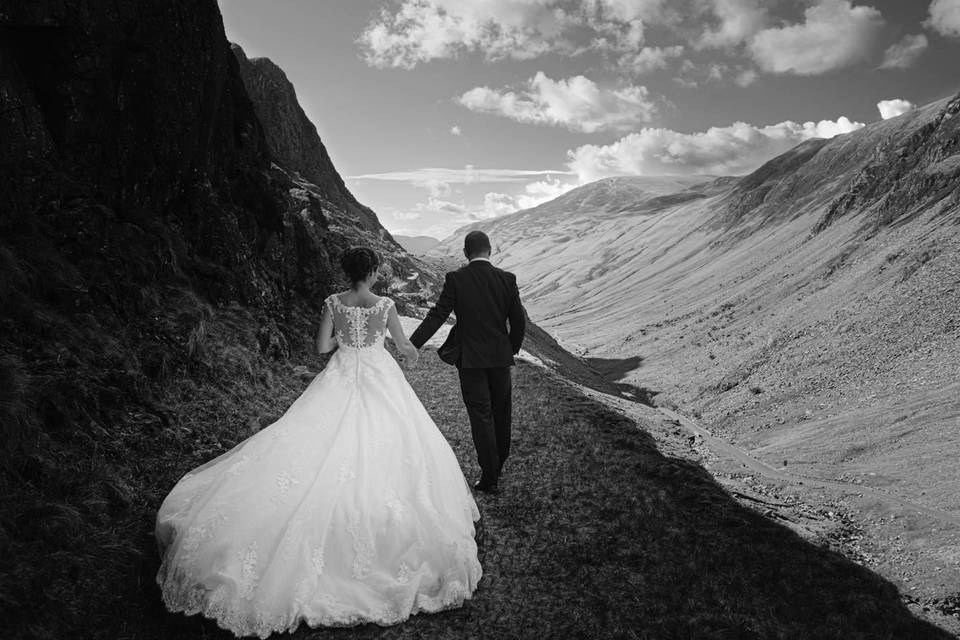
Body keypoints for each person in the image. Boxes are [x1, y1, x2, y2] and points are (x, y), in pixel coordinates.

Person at [155, 247, 482, 638]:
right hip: (381, 376)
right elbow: (403, 346)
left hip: (341, 373)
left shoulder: (333, 302)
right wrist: (410, 355)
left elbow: (322, 348)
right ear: (374, 272)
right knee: (398, 442)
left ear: (347, 272)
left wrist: (347, 343)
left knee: (308, 440)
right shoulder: (385, 305)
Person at [410, 230, 526, 494]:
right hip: (499, 357)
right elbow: (518, 320)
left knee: (480, 415)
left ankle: (490, 474)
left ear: (465, 252)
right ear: (490, 250)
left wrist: (413, 344)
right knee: (501, 413)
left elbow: (438, 315)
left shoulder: (456, 278)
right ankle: (498, 465)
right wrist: (511, 348)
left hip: (470, 358)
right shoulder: (507, 279)